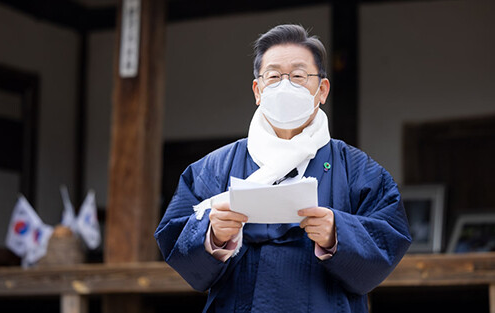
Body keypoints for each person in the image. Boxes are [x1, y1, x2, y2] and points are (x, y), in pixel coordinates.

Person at [155, 24, 411, 313]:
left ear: (322, 90)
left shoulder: (357, 169)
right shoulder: (214, 167)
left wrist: (338, 233)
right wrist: (211, 235)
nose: (285, 86)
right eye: (274, 76)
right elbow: (174, 236)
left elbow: (390, 235)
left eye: (299, 76)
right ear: (257, 90)